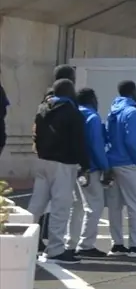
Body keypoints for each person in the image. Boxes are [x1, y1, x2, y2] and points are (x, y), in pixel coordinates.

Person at [29, 78, 88, 263]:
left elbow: (36, 133)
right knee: (60, 207)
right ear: (70, 92)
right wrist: (84, 165)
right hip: (63, 163)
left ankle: (24, 240)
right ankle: (55, 250)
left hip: (42, 160)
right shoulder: (72, 112)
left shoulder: (43, 108)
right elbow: (79, 141)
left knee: (36, 204)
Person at [105, 81, 136, 255]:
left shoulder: (112, 112)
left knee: (115, 206)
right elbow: (131, 141)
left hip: (112, 161)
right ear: (133, 91)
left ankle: (117, 244)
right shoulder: (133, 112)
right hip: (128, 163)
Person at [73, 87, 111, 259]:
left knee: (77, 207)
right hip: (91, 168)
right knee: (94, 206)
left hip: (74, 166)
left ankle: (70, 242)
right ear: (92, 99)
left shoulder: (75, 114)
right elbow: (97, 145)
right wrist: (105, 166)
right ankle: (86, 244)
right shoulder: (92, 117)